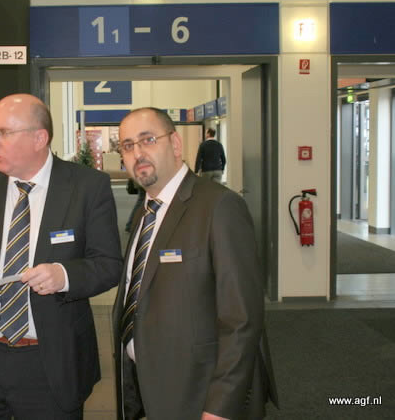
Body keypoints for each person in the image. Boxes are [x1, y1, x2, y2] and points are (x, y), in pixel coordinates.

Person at [0, 93, 122, 419]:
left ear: (39, 138)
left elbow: (108, 264)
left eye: (3, 132)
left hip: (50, 361)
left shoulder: (87, 187)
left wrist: (64, 276)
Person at [113, 108, 277, 420]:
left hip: (201, 394)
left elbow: (242, 320)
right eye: (128, 145)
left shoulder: (219, 206)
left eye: (148, 140)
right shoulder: (146, 212)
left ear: (176, 144)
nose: (138, 153)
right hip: (151, 387)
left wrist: (220, 406)